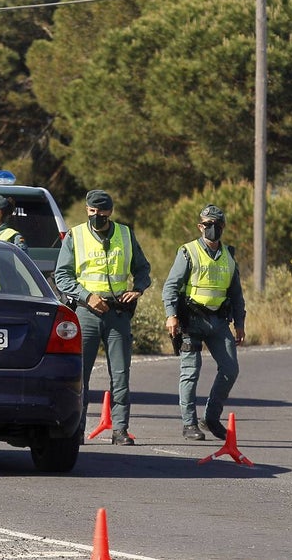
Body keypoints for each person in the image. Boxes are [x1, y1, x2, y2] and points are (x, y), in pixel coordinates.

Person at [53, 190, 151, 445]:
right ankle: (77, 427)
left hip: (117, 313)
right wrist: (86, 296)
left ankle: (120, 429)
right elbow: (62, 276)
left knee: (120, 374)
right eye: (92, 211)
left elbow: (142, 268)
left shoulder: (125, 234)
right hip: (86, 312)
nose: (97, 215)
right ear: (87, 210)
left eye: (102, 211)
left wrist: (138, 289)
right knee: (80, 374)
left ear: (110, 211)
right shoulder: (75, 236)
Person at [162, 204, 246, 441]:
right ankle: (189, 424)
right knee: (190, 372)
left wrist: (240, 323)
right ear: (200, 226)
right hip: (192, 320)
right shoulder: (188, 252)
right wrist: (171, 315)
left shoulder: (228, 255)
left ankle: (210, 418)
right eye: (208, 225)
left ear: (223, 227)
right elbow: (171, 286)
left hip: (219, 321)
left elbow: (236, 293)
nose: (212, 228)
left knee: (230, 369)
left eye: (217, 225)